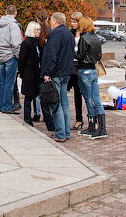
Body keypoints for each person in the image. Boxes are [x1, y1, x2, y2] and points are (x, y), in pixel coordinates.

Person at [40, 12, 76, 142]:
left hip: (56, 72)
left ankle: (60, 133)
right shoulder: (69, 34)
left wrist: (47, 72)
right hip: (67, 72)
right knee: (64, 103)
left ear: (55, 21)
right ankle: (65, 132)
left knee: (55, 104)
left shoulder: (55, 35)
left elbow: (52, 55)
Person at [75, 17, 107, 139]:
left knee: (89, 99)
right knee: (96, 98)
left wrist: (73, 52)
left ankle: (93, 126)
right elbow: (99, 55)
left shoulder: (84, 38)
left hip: (84, 70)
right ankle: (101, 127)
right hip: (93, 70)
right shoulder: (96, 38)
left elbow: (80, 55)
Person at [0, 5, 23, 114]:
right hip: (10, 55)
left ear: (6, 11)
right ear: (15, 13)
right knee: (9, 82)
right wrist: (19, 56)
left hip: (1, 55)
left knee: (2, 81)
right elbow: (16, 43)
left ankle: (2, 104)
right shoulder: (13, 25)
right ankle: (7, 105)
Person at [17, 22, 42, 126]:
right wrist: (21, 72)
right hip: (29, 72)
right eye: (37, 30)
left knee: (37, 95)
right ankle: (27, 119)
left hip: (37, 72)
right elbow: (22, 59)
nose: (39, 32)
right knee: (28, 97)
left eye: (39, 30)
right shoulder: (26, 43)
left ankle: (37, 114)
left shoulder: (38, 43)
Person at [68, 12, 85, 132]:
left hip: (82, 66)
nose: (73, 24)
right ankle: (79, 119)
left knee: (87, 94)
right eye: (71, 21)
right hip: (71, 66)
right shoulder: (70, 33)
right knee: (76, 94)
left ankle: (92, 119)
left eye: (75, 21)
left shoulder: (85, 34)